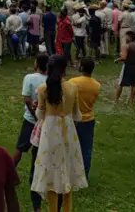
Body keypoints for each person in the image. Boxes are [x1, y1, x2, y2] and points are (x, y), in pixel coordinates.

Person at [31, 54, 88, 212]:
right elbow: (78, 115)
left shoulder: (43, 88)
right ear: (64, 69)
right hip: (68, 129)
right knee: (67, 168)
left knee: (50, 171)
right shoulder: (72, 87)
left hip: (50, 131)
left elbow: (40, 115)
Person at [13, 53, 49, 212]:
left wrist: (34, 115)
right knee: (37, 152)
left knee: (20, 148)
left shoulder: (29, 78)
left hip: (31, 119)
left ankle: (9, 171)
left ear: (37, 64)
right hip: (45, 122)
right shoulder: (51, 81)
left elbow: (27, 99)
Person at [69, 56, 101, 179]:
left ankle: (70, 173)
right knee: (86, 149)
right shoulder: (96, 85)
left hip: (73, 119)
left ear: (81, 67)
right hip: (88, 119)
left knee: (71, 147)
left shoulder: (73, 82)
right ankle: (83, 176)